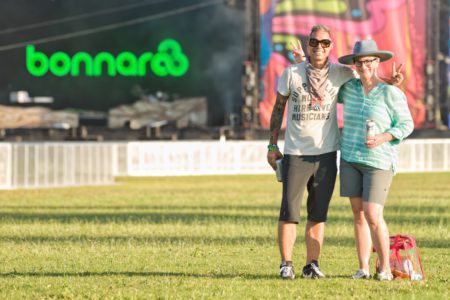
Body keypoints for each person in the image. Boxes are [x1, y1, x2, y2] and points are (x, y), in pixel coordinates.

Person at [267, 25, 403, 280]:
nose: (320, 47)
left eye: (325, 43)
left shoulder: (341, 74)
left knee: (318, 213)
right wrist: (273, 146)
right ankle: (286, 264)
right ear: (308, 45)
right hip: (296, 153)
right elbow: (277, 109)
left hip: (328, 154)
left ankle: (311, 265)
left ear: (331, 46)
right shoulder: (291, 73)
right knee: (289, 212)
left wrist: (390, 82)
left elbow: (368, 80)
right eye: (315, 43)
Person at [337, 39, 413, 281]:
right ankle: (363, 268)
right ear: (354, 65)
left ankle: (386, 268)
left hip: (379, 161)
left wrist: (384, 137)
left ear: (377, 62)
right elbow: (324, 88)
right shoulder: (348, 89)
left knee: (372, 213)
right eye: (360, 62)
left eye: (369, 61)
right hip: (350, 157)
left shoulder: (390, 92)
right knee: (358, 214)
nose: (364, 66)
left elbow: (406, 124)